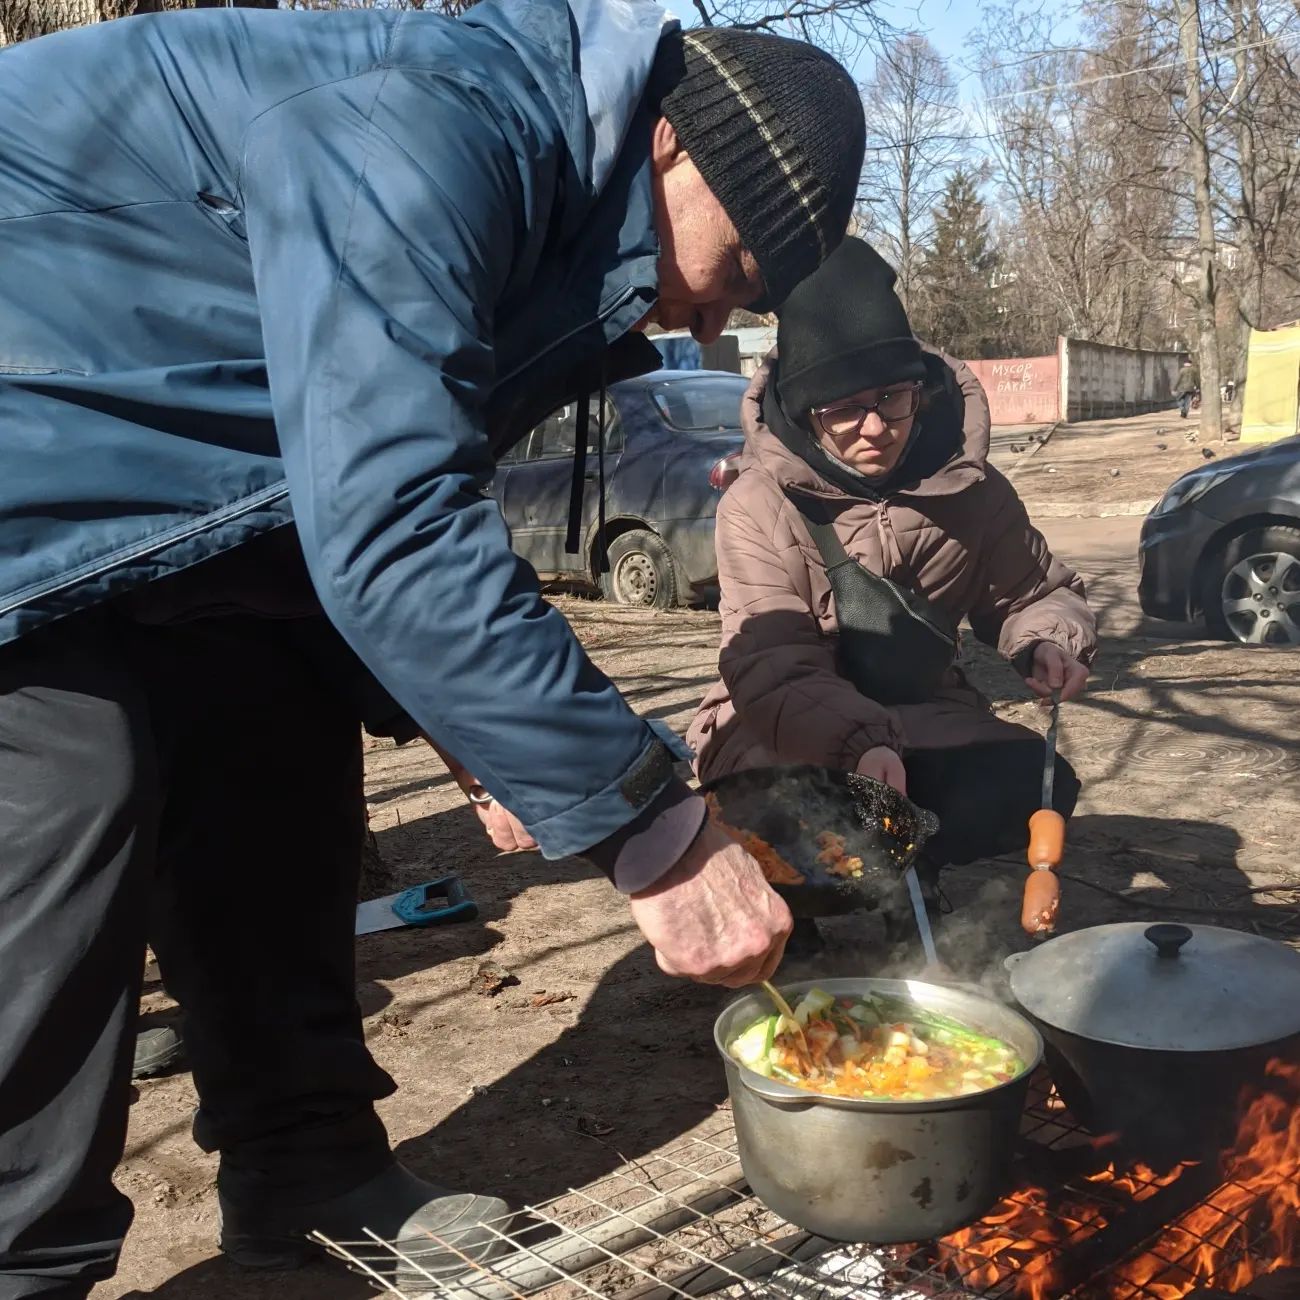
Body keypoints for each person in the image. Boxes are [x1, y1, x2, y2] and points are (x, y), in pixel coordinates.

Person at [0, 2, 867, 1294]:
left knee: (280, 760)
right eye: (739, 273)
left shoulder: (543, 200)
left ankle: (311, 1174)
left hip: (164, 499)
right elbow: (386, 516)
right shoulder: (428, 118)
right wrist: (659, 834)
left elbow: (357, 481)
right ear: (678, 148)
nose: (704, 327)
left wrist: (467, 721)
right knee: (73, 789)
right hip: (28, 457)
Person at [687, 238, 1096, 950]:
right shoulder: (757, 505)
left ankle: (913, 873)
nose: (875, 426)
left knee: (1035, 781)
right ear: (804, 407)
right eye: (844, 409)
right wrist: (862, 743)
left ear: (921, 389)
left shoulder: (974, 491)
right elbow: (770, 666)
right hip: (778, 725)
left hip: (923, 714)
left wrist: (1048, 638)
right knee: (784, 808)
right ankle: (788, 910)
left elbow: (1033, 591)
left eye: (891, 399)